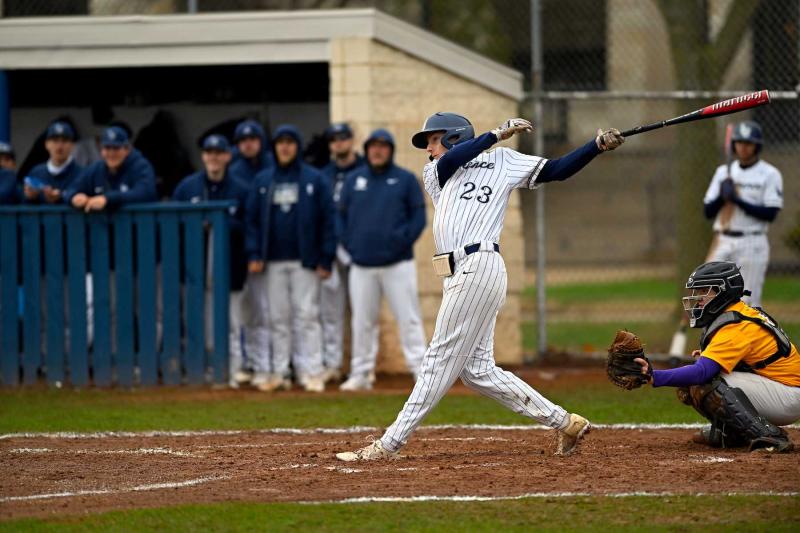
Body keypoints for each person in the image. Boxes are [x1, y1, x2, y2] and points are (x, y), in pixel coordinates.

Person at [336, 112, 625, 461]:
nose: (428, 148)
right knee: (477, 372)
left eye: (433, 139)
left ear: (455, 136)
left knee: (438, 359)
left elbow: (557, 169)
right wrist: (495, 134)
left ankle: (389, 444)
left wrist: (595, 147)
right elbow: (457, 158)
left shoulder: (503, 160)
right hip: (458, 273)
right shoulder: (438, 170)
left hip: (480, 264)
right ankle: (565, 422)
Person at [632, 261, 799, 453]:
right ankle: (734, 433)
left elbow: (702, 372)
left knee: (704, 381)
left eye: (705, 291)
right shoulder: (736, 312)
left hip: (788, 395)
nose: (698, 297)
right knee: (695, 380)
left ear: (723, 291)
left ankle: (770, 436)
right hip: (781, 388)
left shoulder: (736, 325)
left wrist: (654, 376)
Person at [245, 124, 336, 393]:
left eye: (290, 142)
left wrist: (326, 257)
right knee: (277, 318)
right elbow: (251, 221)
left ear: (297, 146)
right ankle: (280, 371)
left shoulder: (314, 179)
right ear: (274, 147)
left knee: (307, 316)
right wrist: (253, 253)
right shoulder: (263, 180)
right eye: (280, 142)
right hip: (271, 261)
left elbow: (328, 220)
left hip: (305, 261)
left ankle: (311, 372)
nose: (285, 147)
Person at [337, 128, 427, 391]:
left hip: (398, 264)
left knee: (409, 317)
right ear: (366, 151)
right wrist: (351, 245)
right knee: (362, 321)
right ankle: (361, 373)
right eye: (373, 146)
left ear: (390, 150)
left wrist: (399, 243)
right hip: (362, 265)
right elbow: (339, 218)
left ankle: (421, 371)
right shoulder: (353, 181)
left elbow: (418, 219)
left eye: (383, 146)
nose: (377, 151)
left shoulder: (406, 180)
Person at [63, 126, 158, 347]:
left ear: (127, 149)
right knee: (107, 306)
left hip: (139, 251)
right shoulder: (96, 169)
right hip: (105, 252)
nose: (111, 153)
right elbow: (71, 190)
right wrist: (74, 197)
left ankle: (136, 356)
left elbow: (145, 192)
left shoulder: (140, 166)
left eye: (116, 148)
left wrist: (108, 199)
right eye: (107, 148)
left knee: (139, 306)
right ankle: (109, 355)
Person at [173, 134, 252, 388]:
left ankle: (235, 368)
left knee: (232, 319)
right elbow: (175, 222)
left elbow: (251, 225)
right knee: (200, 319)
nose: (213, 157)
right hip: (196, 267)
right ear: (203, 156)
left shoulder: (240, 188)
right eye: (209, 152)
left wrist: (220, 224)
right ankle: (205, 368)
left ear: (228, 156)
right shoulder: (188, 187)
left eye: (219, 152)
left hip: (231, 266)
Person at [702, 121, 783, 308]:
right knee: (709, 293)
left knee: (747, 300)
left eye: (748, 143)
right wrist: (723, 197)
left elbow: (770, 213)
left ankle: (749, 335)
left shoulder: (769, 174)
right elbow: (708, 211)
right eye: (739, 142)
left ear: (757, 146)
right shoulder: (723, 172)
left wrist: (738, 200)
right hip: (723, 240)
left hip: (752, 241)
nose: (743, 147)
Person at [318, 123, 366, 384]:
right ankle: (333, 364)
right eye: (334, 139)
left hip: (356, 249)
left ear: (351, 141)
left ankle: (361, 367)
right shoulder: (322, 175)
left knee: (361, 311)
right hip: (330, 248)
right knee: (330, 312)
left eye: (343, 138)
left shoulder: (364, 171)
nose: (339, 143)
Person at [23, 121, 83, 204]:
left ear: (72, 145)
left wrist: (61, 197)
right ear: (46, 144)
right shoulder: (36, 172)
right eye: (55, 140)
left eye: (64, 141)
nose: (59, 146)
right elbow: (25, 207)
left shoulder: (82, 173)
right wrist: (30, 197)